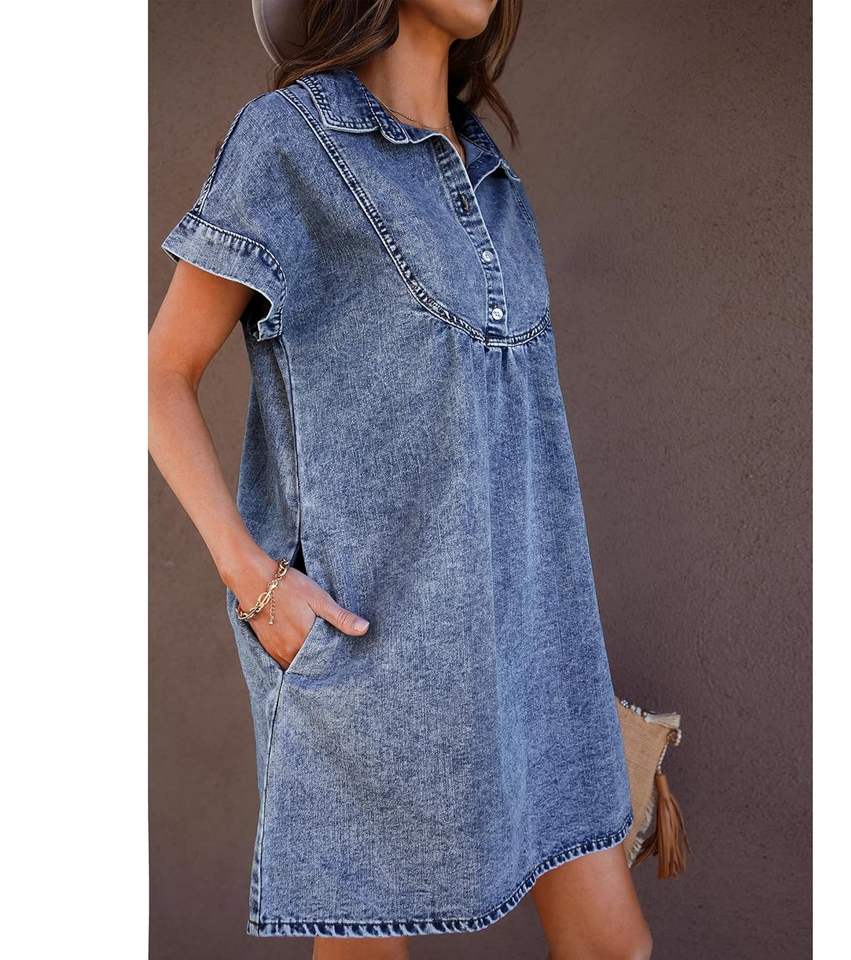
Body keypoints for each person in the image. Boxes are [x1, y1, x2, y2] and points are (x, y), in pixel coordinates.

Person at [148, 1, 654, 957]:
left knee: (612, 945)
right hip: (370, 653)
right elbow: (158, 375)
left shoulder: (496, 184)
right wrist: (255, 583)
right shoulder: (290, 141)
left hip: (536, 656)